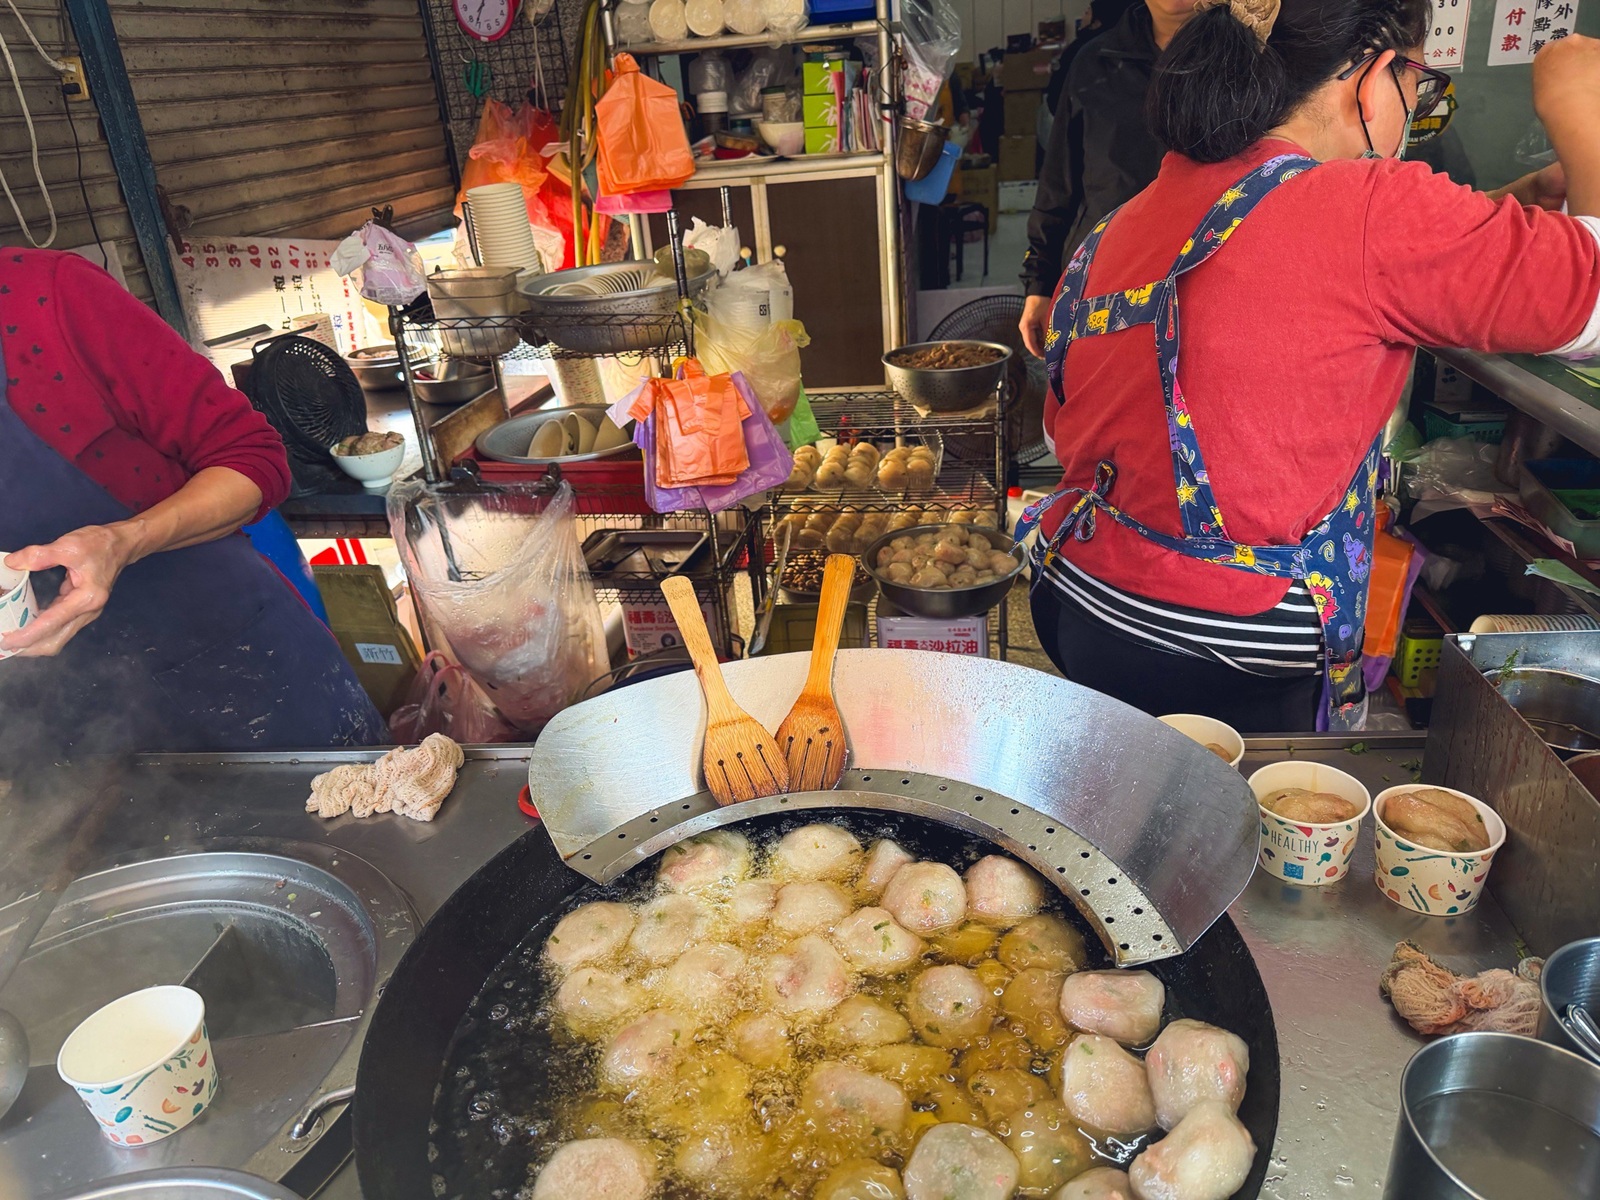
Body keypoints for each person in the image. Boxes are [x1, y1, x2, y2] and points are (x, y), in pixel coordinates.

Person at [1018, 0, 1600, 733]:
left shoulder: (1129, 216)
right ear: (1374, 76)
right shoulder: (1371, 207)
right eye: (1419, 85)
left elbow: (1288, 266)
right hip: (1231, 640)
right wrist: (1583, 115)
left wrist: (1500, 212)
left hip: (1083, 602)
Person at [0, 249, 387, 758]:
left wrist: (123, 542)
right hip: (60, 736)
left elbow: (253, 458)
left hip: (235, 666)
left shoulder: (42, 298)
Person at [1019, 0, 1198, 357]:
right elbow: (1059, 181)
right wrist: (1039, 282)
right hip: (1107, 283)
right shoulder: (1094, 62)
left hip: (1204, 280)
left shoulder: (1243, 60)